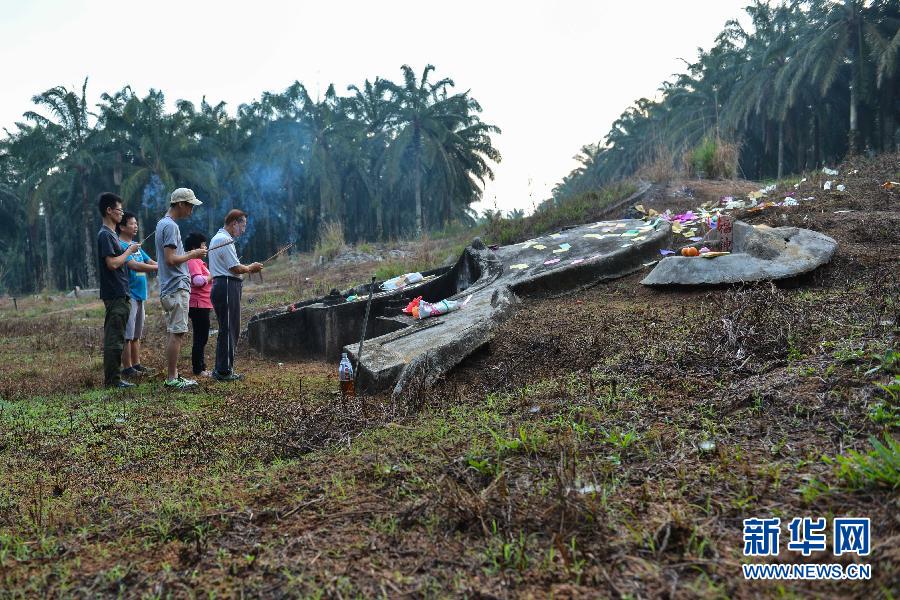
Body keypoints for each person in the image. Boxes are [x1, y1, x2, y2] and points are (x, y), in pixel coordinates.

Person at [155, 188, 207, 389]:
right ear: (180, 204)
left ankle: (174, 374)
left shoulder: (163, 224)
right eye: (190, 206)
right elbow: (170, 259)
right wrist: (193, 254)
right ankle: (171, 378)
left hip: (171, 286)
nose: (191, 211)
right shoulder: (170, 226)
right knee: (177, 332)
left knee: (174, 332)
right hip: (176, 286)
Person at [208, 209, 263, 381]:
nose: (243, 230)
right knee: (229, 328)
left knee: (228, 327)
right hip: (226, 286)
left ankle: (222, 368)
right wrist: (250, 268)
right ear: (234, 224)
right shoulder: (224, 240)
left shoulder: (220, 238)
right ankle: (224, 371)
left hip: (225, 285)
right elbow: (235, 268)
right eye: (243, 225)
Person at [97, 193, 140, 388]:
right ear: (109, 210)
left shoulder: (112, 234)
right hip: (114, 293)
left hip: (120, 292)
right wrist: (129, 251)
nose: (122, 214)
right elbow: (112, 263)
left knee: (119, 336)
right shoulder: (105, 235)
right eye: (119, 210)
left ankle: (114, 378)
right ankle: (112, 380)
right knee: (114, 338)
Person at [117, 211, 158, 377]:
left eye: (136, 223)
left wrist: (163, 264)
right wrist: (157, 268)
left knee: (136, 333)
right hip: (129, 294)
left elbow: (148, 261)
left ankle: (137, 364)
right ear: (122, 227)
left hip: (141, 295)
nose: (136, 226)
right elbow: (134, 265)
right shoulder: (120, 245)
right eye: (132, 223)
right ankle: (127, 368)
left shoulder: (136, 245)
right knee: (127, 334)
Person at [185, 232, 213, 377]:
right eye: (203, 245)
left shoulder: (198, 261)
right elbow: (197, 281)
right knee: (201, 337)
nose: (205, 248)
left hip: (203, 304)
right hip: (198, 304)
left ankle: (201, 366)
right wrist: (212, 275)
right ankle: (198, 368)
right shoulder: (193, 261)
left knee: (201, 336)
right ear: (194, 247)